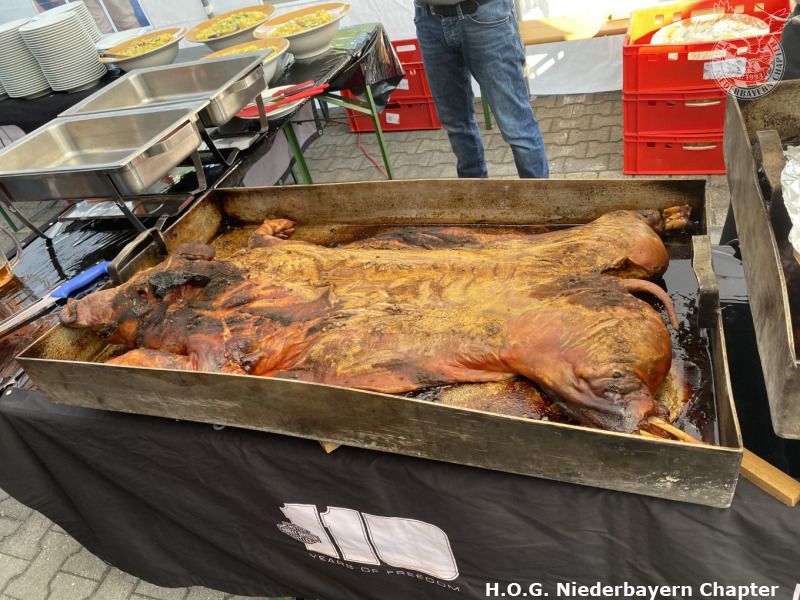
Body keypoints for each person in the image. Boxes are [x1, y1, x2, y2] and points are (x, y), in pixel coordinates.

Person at [413, 0, 548, 178]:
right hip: (428, 17)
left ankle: (539, 195)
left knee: (517, 127)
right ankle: (474, 193)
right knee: (456, 126)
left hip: (485, 14)